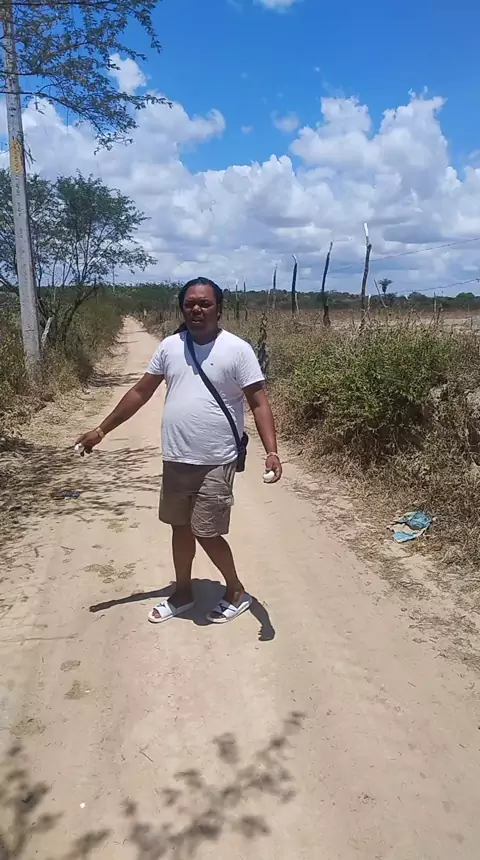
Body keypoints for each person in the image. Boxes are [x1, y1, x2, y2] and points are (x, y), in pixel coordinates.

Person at [75, 277, 282, 625]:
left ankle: (236, 591)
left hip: (216, 459)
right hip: (176, 458)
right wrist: (101, 430)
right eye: (190, 304)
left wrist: (272, 451)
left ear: (219, 309)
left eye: (205, 303)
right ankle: (183, 592)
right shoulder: (170, 347)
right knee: (180, 528)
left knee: (206, 531)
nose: (197, 309)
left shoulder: (237, 350)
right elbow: (140, 392)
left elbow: (259, 402)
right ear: (182, 308)